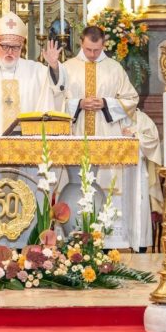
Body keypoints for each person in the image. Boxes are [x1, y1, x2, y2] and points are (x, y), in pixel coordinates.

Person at [62, 25, 141, 249]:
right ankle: (73, 236)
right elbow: (54, 100)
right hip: (76, 134)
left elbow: (131, 99)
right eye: (88, 49)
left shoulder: (114, 68)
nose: (92, 54)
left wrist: (106, 103)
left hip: (105, 133)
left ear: (103, 44)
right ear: (81, 43)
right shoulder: (67, 68)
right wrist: (78, 104)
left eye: (97, 50)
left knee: (106, 184)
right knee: (75, 183)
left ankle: (107, 241)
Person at [121, 109, 164, 252]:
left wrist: (134, 136)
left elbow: (153, 140)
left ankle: (140, 245)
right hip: (112, 173)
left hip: (136, 172)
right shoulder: (104, 117)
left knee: (138, 207)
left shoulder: (142, 118)